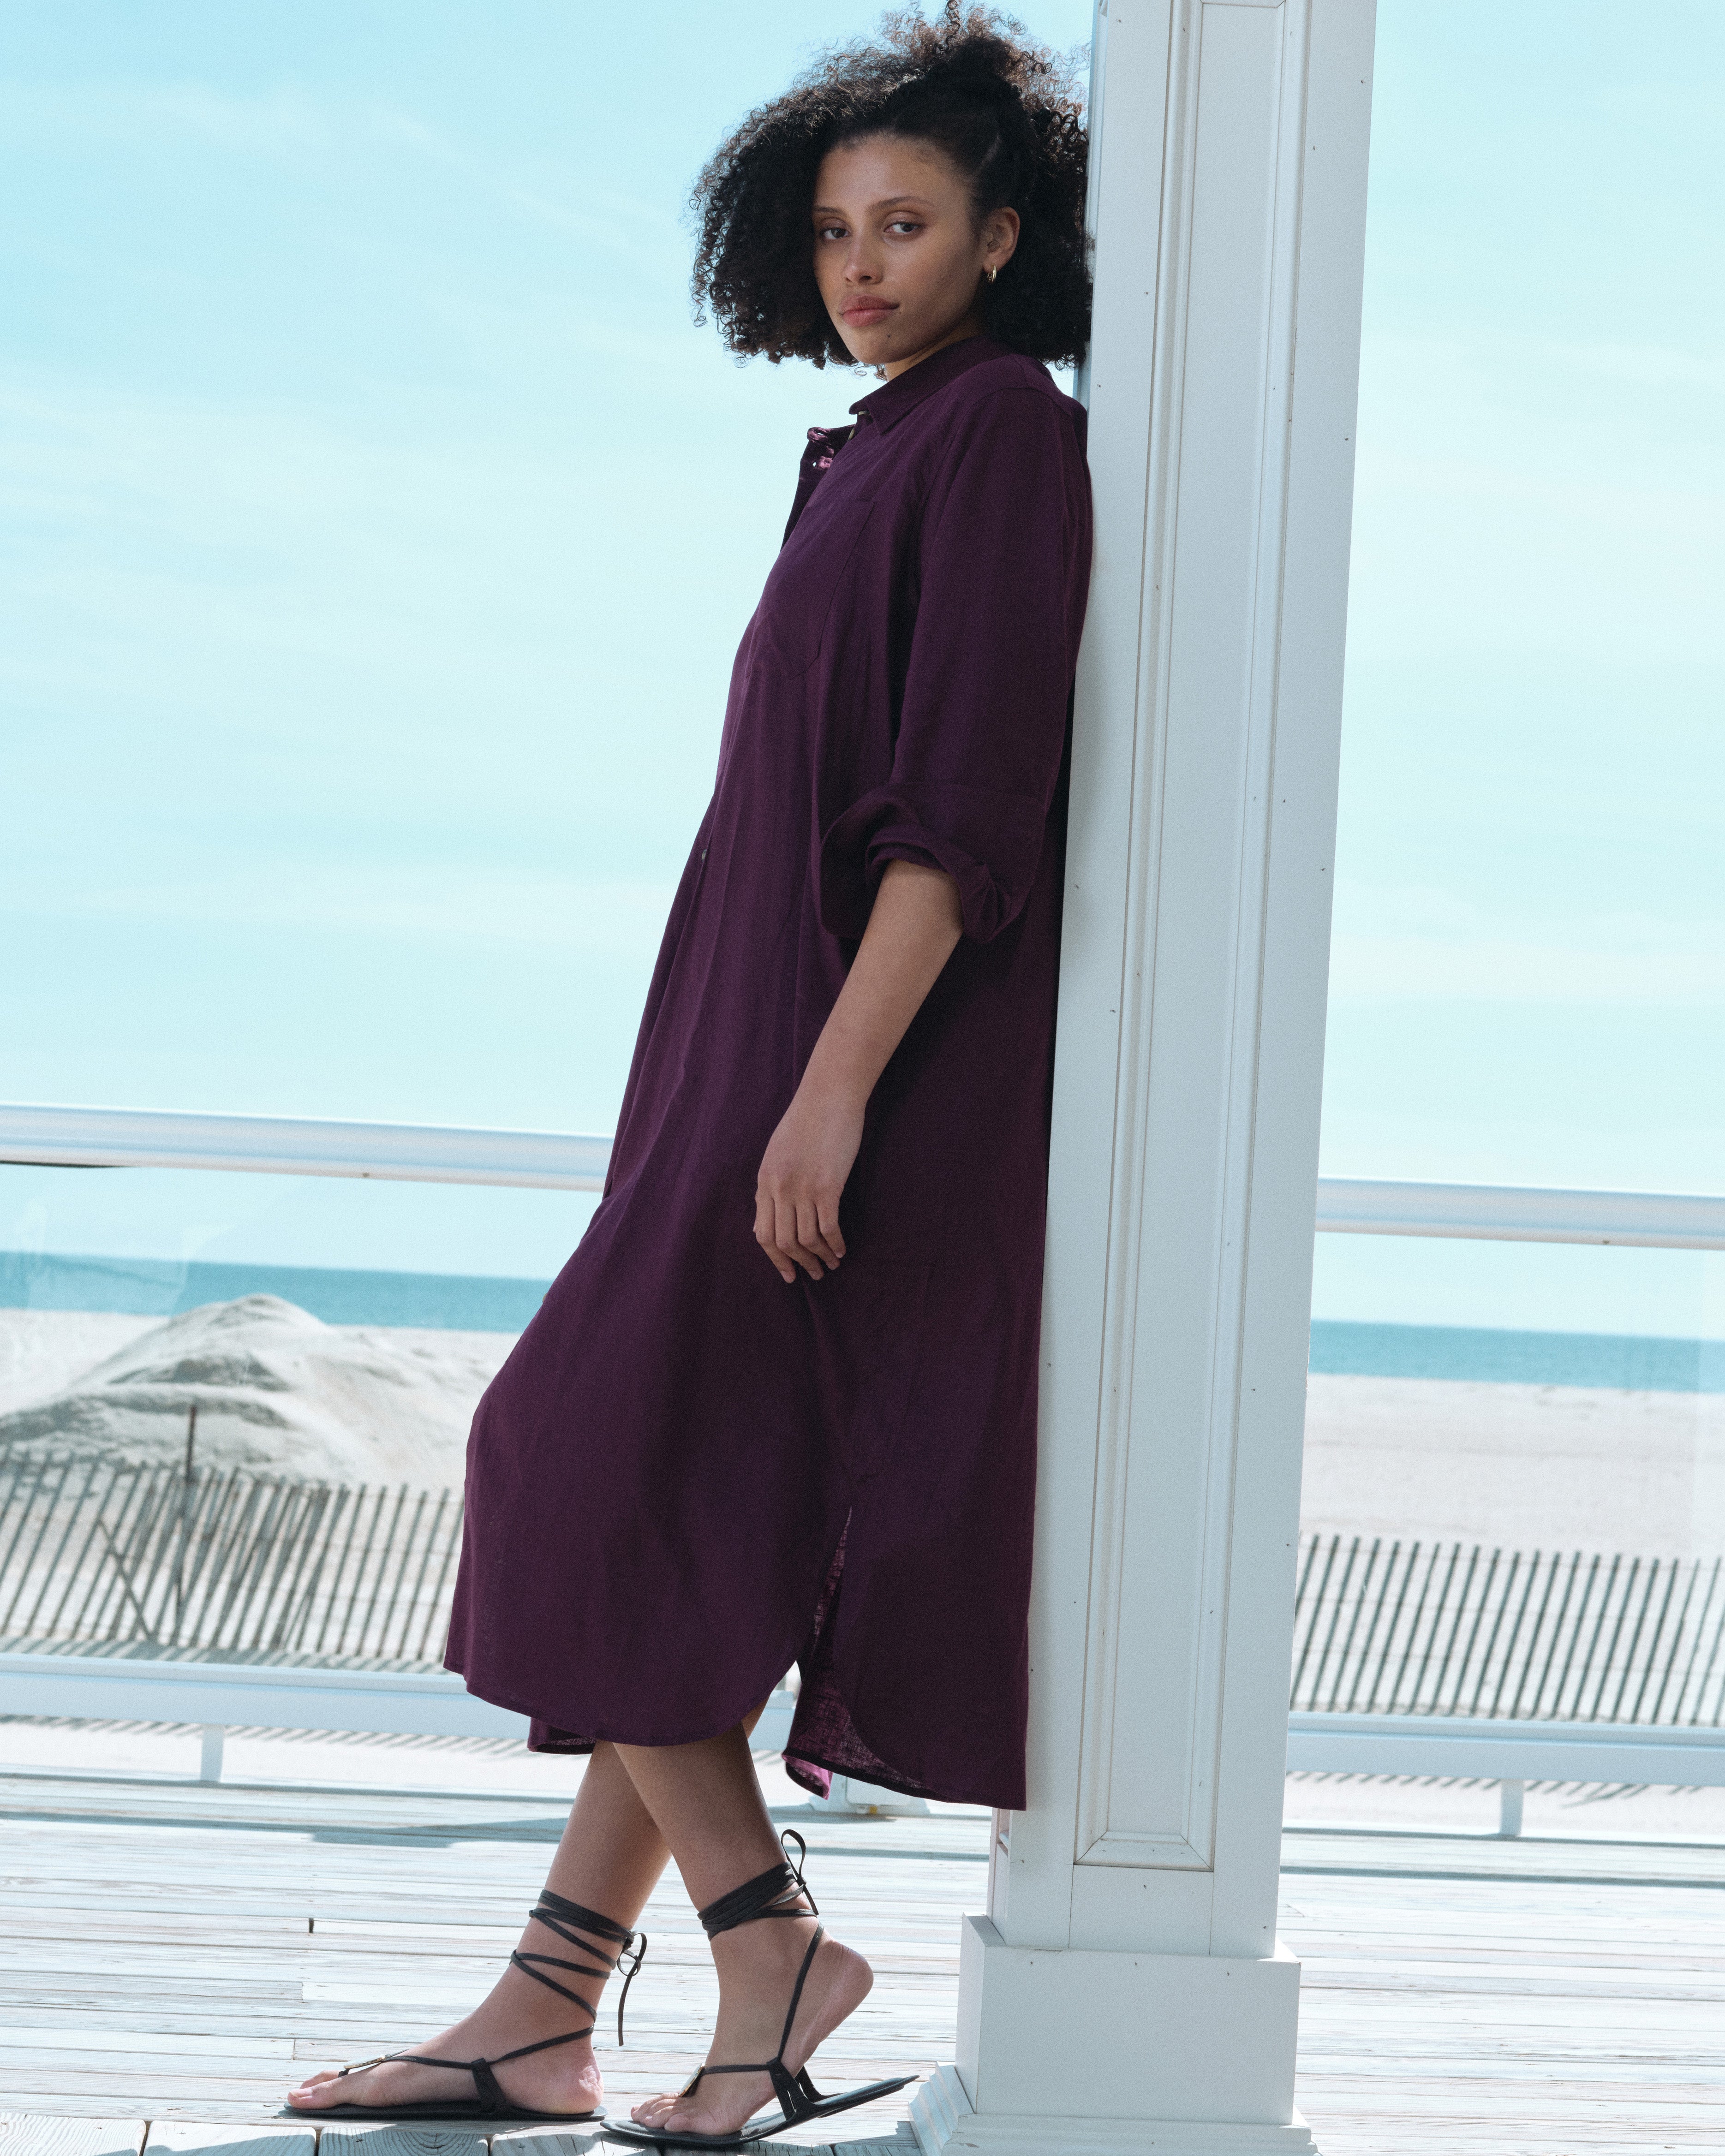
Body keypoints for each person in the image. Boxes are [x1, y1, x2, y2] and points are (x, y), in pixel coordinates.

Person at [287, 5, 1092, 2143]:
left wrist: (825, 1095)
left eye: (905, 222)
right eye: (831, 229)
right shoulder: (867, 447)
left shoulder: (1000, 436)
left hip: (826, 1072)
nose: (862, 265)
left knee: (568, 1459)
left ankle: (765, 1941)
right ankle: (542, 2007)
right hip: (732, 1051)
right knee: (662, 1511)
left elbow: (957, 817)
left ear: (1001, 237)